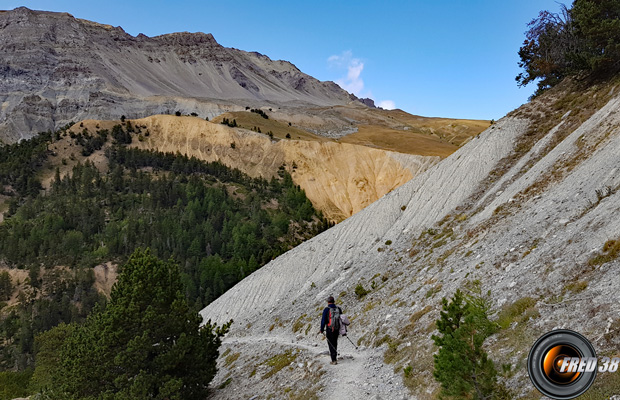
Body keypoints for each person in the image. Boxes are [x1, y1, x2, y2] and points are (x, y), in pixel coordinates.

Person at [319, 296, 342, 365]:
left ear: (328, 302)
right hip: (337, 328)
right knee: (335, 342)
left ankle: (334, 360)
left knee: (330, 343)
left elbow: (323, 320)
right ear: (334, 301)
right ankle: (335, 355)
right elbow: (341, 319)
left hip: (329, 329)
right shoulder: (338, 309)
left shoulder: (326, 309)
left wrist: (321, 329)